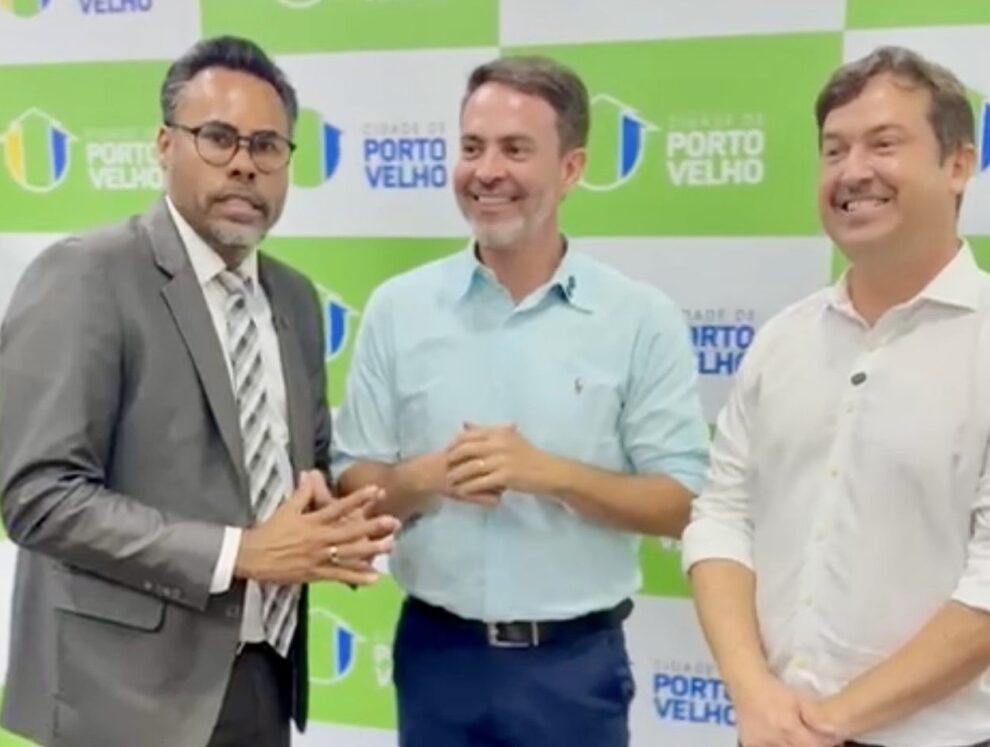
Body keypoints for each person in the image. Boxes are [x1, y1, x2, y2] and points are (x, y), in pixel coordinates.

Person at [0, 35, 399, 747]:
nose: (245, 163)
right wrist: (240, 553)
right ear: (164, 144)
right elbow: (38, 496)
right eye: (218, 138)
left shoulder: (295, 299)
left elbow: (302, 469)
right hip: (123, 701)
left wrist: (331, 522)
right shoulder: (87, 276)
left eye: (267, 146)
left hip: (263, 678)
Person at [331, 54, 709, 747]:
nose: (486, 171)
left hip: (574, 668)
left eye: (514, 149)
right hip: (435, 656)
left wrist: (549, 473)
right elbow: (355, 481)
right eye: (472, 147)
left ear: (571, 168)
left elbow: (681, 501)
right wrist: (429, 476)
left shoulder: (639, 318)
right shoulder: (397, 309)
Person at [683, 46, 990, 747]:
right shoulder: (781, 341)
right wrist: (753, 693)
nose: (852, 172)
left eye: (883, 144)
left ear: (958, 165)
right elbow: (721, 516)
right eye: (833, 150)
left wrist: (828, 722)